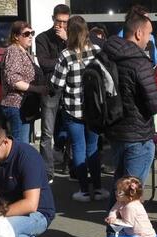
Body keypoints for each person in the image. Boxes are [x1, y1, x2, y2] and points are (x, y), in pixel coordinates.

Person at [102, 12, 157, 208]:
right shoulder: (139, 61)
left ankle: (114, 233)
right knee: (130, 192)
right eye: (148, 34)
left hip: (115, 130)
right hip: (138, 135)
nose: (149, 39)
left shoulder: (105, 56)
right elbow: (154, 104)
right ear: (138, 33)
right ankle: (125, 233)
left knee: (121, 186)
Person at [51, 16, 109, 203]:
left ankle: (84, 190)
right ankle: (99, 189)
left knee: (79, 148)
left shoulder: (66, 55)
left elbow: (57, 84)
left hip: (72, 110)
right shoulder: (97, 51)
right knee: (93, 149)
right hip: (94, 109)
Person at [36, 4, 70, 183]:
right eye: (59, 21)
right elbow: (44, 63)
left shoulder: (70, 38)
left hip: (70, 87)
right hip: (50, 88)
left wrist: (66, 41)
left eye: (65, 22)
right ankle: (48, 172)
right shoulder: (42, 38)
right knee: (47, 133)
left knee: (72, 128)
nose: (62, 25)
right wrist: (65, 59)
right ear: (53, 19)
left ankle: (70, 166)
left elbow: (79, 57)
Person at [0, 20, 44, 144]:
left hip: (25, 106)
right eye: (26, 34)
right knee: (20, 145)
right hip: (16, 105)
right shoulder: (13, 51)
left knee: (23, 144)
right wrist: (37, 89)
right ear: (16, 36)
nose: (30, 36)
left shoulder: (25, 53)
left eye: (32, 33)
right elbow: (13, 80)